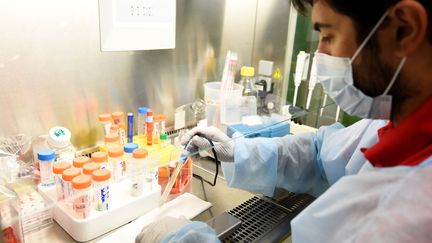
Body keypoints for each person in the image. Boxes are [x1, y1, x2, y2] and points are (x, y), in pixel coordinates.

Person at [137, 0, 432, 242]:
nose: (320, 55)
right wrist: (236, 151)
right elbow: (320, 154)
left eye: (329, 35)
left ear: (404, 30)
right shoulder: (388, 123)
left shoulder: (412, 212)